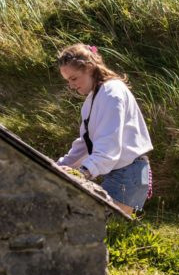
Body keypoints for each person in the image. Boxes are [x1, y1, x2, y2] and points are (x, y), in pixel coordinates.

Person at [56, 44, 153, 215]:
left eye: (74, 78)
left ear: (90, 68)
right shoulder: (94, 98)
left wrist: (83, 172)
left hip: (128, 174)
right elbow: (85, 144)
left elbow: (109, 146)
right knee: (97, 228)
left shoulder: (111, 94)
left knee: (99, 229)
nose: (71, 86)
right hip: (123, 173)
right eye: (68, 81)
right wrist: (58, 167)